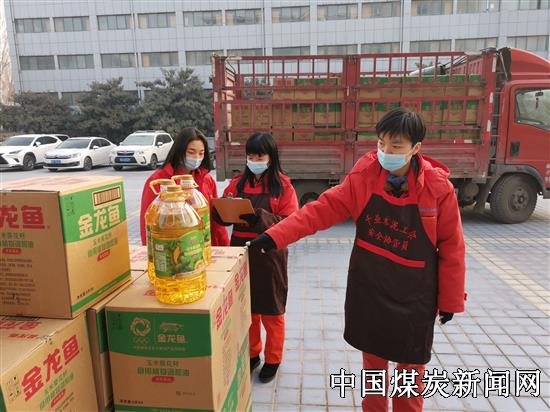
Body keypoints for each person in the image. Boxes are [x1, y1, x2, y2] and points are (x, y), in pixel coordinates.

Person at [248, 109, 466, 411]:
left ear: (416, 148)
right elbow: (321, 209)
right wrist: (274, 236)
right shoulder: (365, 175)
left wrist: (451, 300)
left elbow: (452, 247)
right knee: (373, 368)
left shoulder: (437, 188)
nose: (386, 152)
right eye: (381, 143)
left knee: (410, 371)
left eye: (396, 146)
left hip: (414, 295)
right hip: (370, 288)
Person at [213, 132, 298, 383]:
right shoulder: (237, 184)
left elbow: (291, 222)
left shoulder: (283, 186)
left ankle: (273, 359)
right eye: (250, 156)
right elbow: (221, 213)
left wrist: (258, 217)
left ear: (271, 157)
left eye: (259, 156)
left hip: (269, 255)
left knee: (272, 311)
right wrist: (221, 209)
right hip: (240, 253)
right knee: (246, 310)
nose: (254, 161)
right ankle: (252, 353)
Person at [140, 127, 229, 247]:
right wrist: (149, 250)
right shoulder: (158, 181)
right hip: (173, 247)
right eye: (191, 152)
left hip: (203, 245)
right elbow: (147, 222)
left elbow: (215, 221)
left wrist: (225, 246)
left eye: (201, 153)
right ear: (179, 151)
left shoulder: (207, 180)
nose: (196, 157)